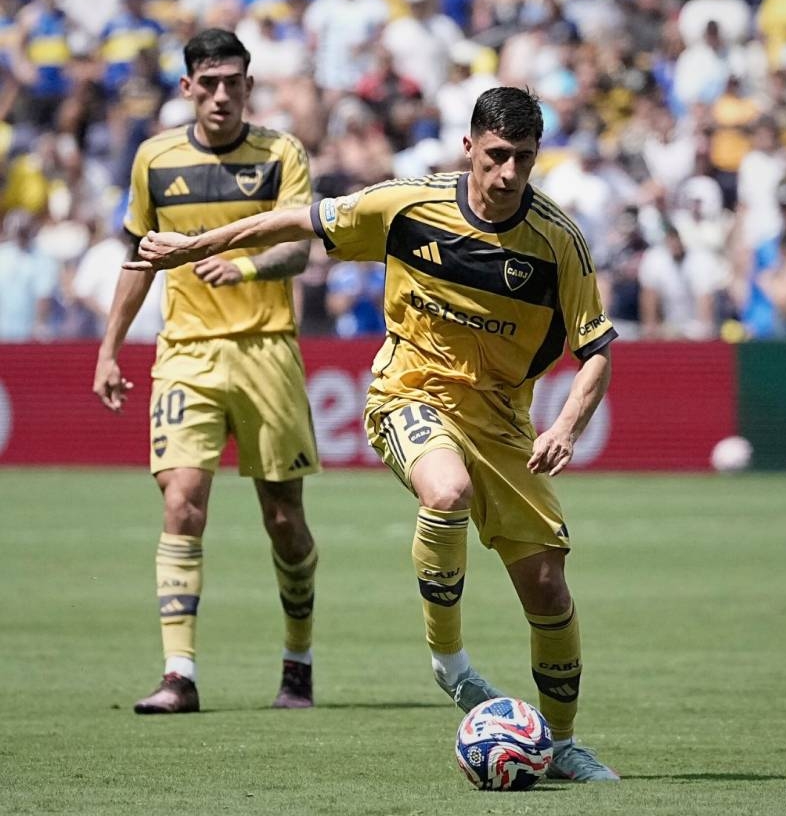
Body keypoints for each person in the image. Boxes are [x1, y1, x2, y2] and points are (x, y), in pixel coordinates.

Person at [126, 87, 619, 781]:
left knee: (548, 590)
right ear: (469, 147)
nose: (509, 173)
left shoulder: (557, 241)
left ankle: (561, 744)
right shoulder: (407, 206)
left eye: (524, 159)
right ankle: (450, 662)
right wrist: (192, 247)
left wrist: (566, 425)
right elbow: (295, 220)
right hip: (408, 394)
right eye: (497, 155)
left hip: (504, 422)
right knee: (445, 492)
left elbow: (596, 350)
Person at [93, 28, 320, 715]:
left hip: (266, 348)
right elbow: (140, 258)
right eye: (210, 82)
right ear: (188, 86)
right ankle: (179, 675)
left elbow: (299, 249)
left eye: (234, 82)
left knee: (283, 518)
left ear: (249, 86)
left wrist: (243, 265)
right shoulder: (155, 158)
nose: (222, 95)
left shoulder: (281, 154)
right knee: (182, 502)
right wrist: (109, 348)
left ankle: (298, 662)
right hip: (186, 354)